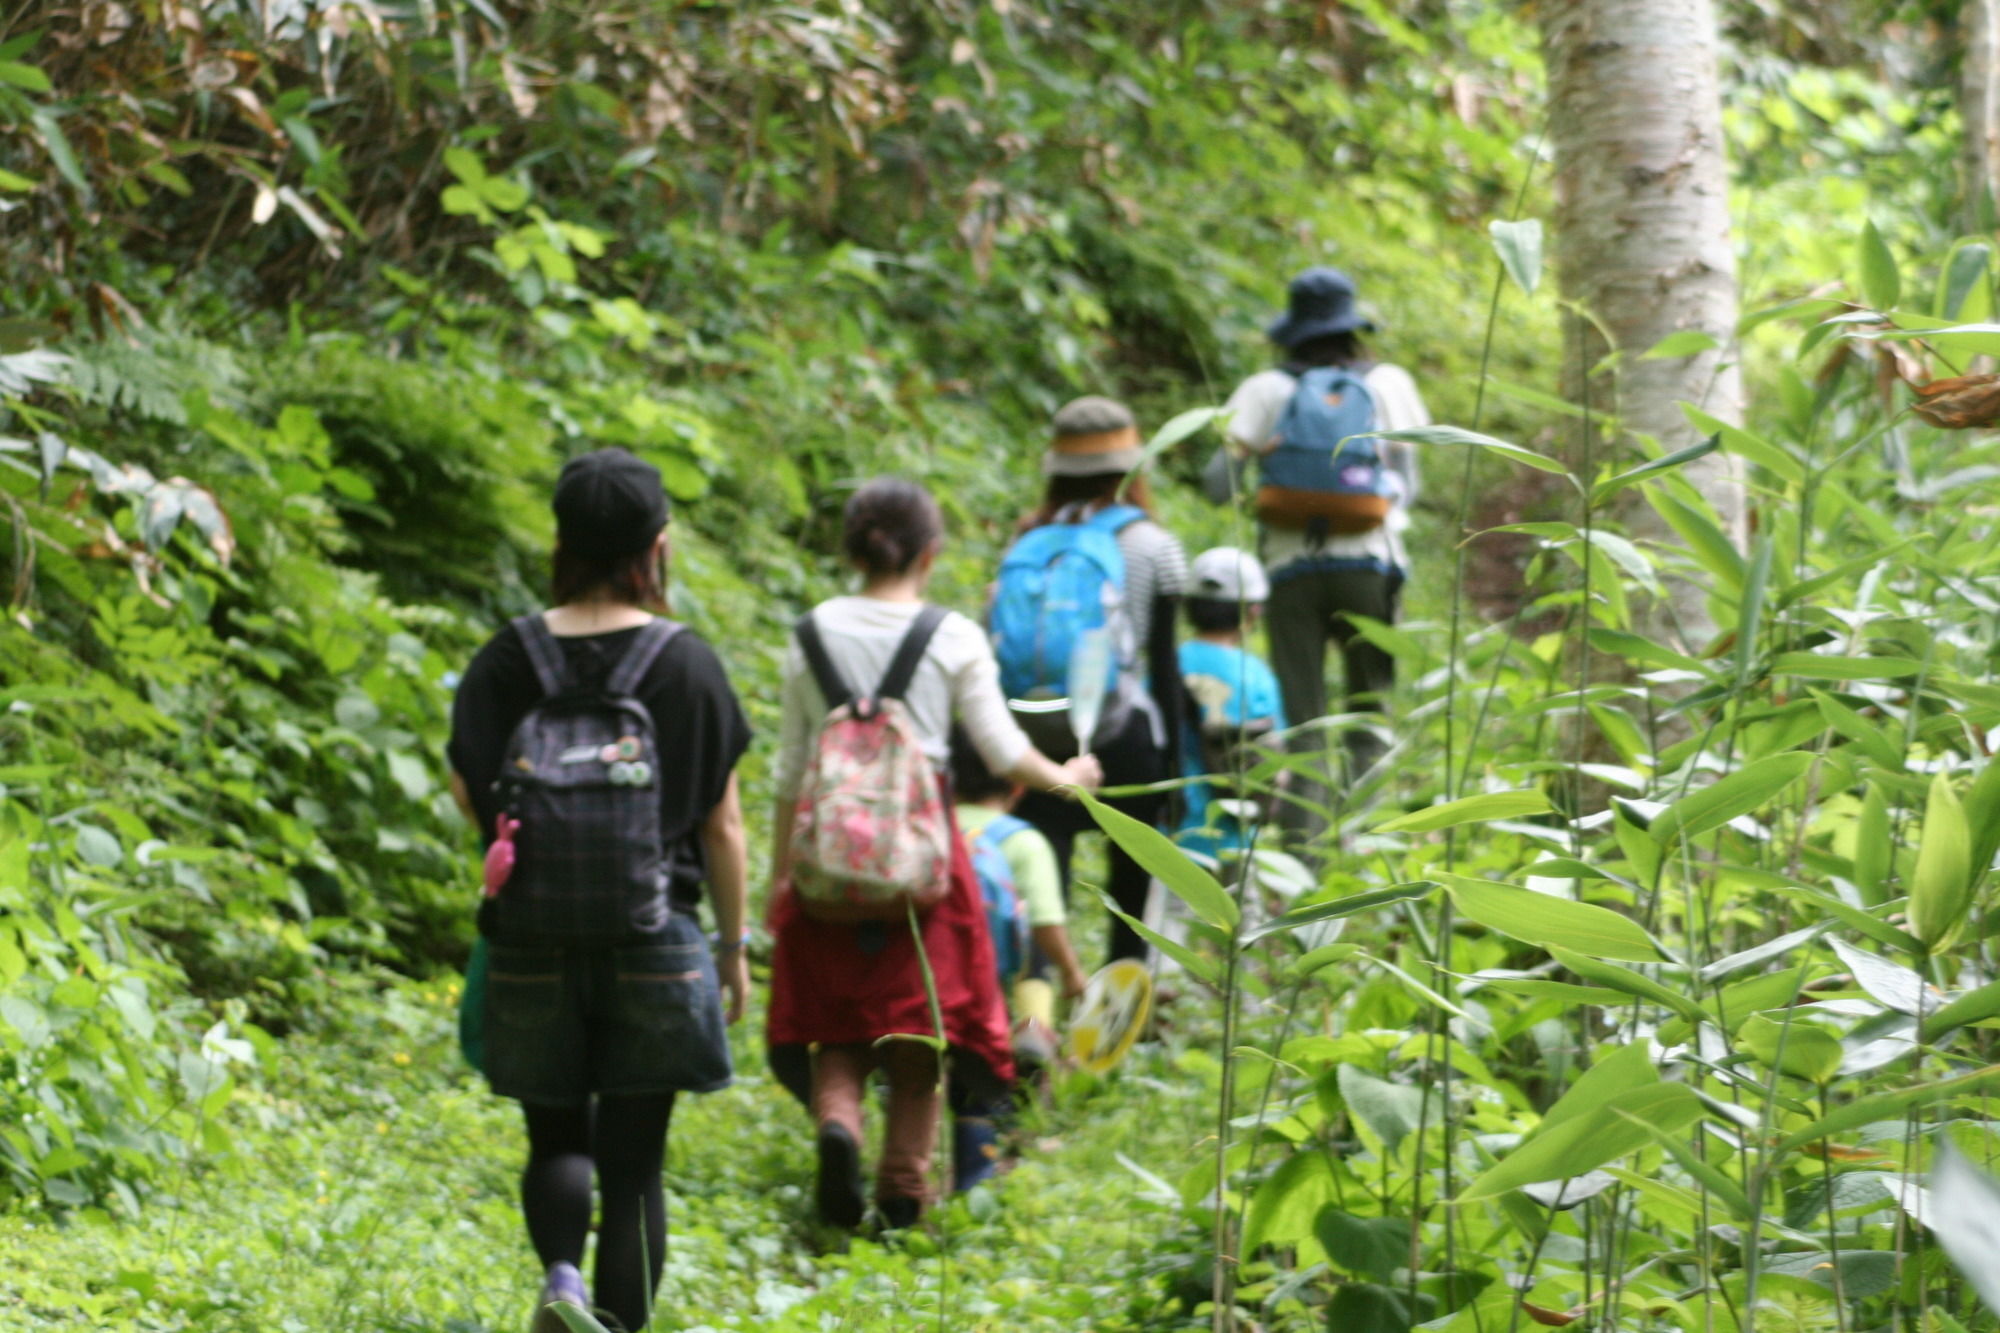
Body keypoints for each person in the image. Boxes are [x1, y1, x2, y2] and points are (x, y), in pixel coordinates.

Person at [446, 448, 751, 1333]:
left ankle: (562, 1280)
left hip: (531, 938)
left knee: (554, 1137)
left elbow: (470, 785)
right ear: (655, 548)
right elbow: (723, 826)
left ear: (561, 540)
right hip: (655, 938)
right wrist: (732, 950)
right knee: (635, 1165)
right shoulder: (687, 664)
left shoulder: (507, 658)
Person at [765, 477, 1101, 1230]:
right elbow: (1002, 750)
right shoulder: (950, 635)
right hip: (921, 867)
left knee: (838, 1020)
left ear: (852, 548)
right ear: (931, 550)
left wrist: (779, 876)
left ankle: (841, 1122)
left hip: (824, 865)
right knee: (920, 1028)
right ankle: (903, 1189)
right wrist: (1067, 779)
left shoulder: (811, 630)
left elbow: (789, 772)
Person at [1209, 266, 1429, 853]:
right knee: (1368, 713)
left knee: (1305, 722)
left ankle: (1301, 857)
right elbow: (1411, 481)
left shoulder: (1266, 389)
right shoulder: (1388, 383)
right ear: (1352, 324)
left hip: (1289, 572)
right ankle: (1356, 851)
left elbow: (1214, 484)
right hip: (1372, 568)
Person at [1004, 396, 1189, 964]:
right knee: (1132, 885)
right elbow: (1164, 668)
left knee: (1043, 885)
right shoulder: (1154, 546)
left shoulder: (1026, 542)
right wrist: (1179, 771)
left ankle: (1036, 1011)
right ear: (1133, 468)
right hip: (1123, 736)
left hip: (1036, 738)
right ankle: (1119, 1012)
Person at [947, 726, 1089, 1186]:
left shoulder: (931, 829)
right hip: (988, 985)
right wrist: (1072, 974)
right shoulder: (1023, 841)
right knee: (1031, 943)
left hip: (926, 975)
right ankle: (1032, 1027)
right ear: (1017, 783)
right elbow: (1047, 923)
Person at [1174, 547, 1287, 860]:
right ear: (1253, 612)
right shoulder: (1256, 675)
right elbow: (1275, 757)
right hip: (1235, 840)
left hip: (1170, 836)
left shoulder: (1167, 666)